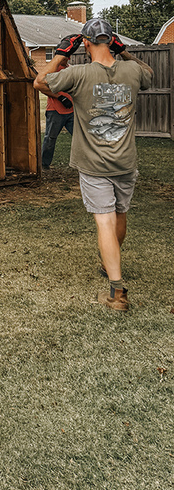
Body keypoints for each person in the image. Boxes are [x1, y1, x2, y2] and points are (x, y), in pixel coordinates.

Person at [34, 17, 153, 312]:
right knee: (120, 214)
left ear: (85, 44)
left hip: (94, 164)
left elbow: (39, 82)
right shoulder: (133, 70)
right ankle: (108, 261)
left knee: (104, 221)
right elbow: (149, 74)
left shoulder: (78, 73)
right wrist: (123, 52)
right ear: (112, 41)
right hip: (126, 161)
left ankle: (117, 292)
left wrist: (61, 54)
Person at [41, 88, 74, 169]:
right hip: (55, 111)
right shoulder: (50, 74)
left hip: (73, 110)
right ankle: (44, 164)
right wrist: (60, 97)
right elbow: (41, 88)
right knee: (50, 138)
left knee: (81, 138)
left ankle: (84, 164)